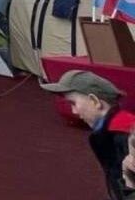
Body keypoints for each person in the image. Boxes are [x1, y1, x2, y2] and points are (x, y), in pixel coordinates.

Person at [41, 69, 135, 200]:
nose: (73, 111)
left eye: (73, 103)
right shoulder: (109, 131)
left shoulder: (123, 135)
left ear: (95, 101)